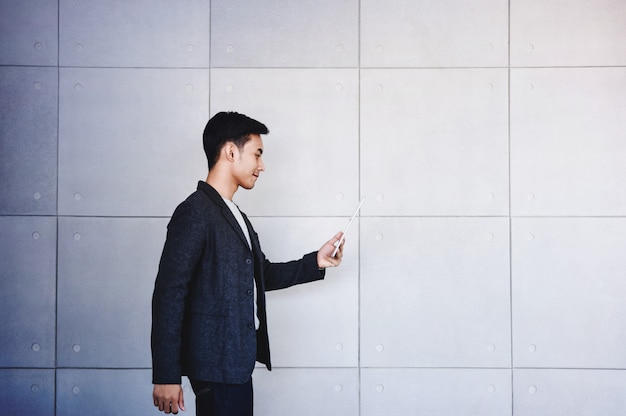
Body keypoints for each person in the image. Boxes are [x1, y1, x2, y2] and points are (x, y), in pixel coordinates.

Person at [151, 111, 344, 415]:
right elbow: (169, 294)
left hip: (235, 363)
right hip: (215, 366)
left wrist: (315, 262)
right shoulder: (195, 212)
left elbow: (261, 274)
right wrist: (165, 375)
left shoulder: (237, 216)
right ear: (230, 151)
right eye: (257, 154)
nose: (262, 166)